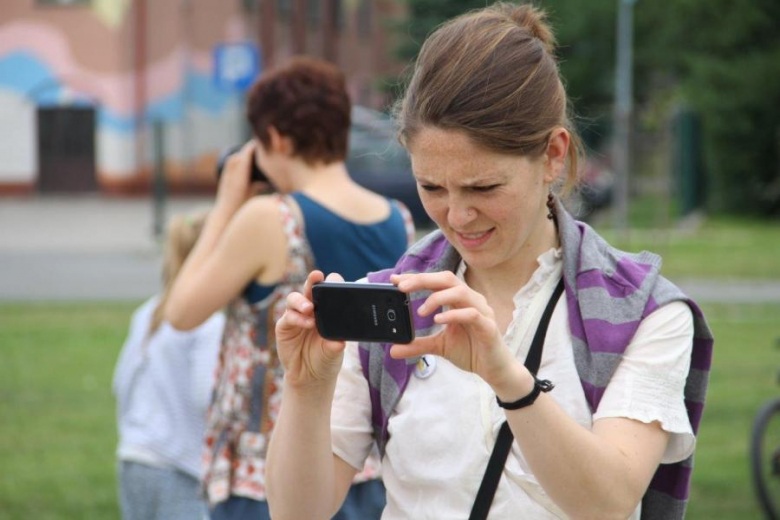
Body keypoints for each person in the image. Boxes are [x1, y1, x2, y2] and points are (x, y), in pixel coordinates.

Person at [266, 3, 714, 519]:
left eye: (483, 186)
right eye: (431, 186)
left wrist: (506, 377)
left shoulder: (645, 312)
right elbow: (297, 513)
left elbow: (608, 502)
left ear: (552, 156)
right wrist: (306, 388)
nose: (457, 215)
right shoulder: (393, 300)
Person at [165, 57, 414, 520]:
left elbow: (180, 312)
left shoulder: (271, 218)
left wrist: (225, 207)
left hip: (272, 476)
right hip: (363, 460)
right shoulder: (396, 218)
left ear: (275, 137)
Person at [113, 211, 224, 520]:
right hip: (178, 465)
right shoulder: (208, 323)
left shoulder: (147, 311)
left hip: (134, 455)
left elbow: (121, 382)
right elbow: (207, 396)